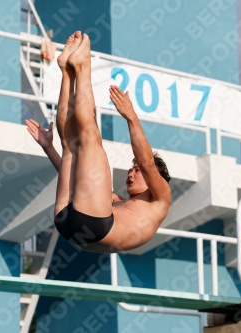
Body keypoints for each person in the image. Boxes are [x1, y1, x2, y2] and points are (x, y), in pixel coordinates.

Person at [25, 31, 171, 253]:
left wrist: (131, 116)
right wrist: (48, 148)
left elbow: (147, 162)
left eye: (136, 171)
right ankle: (67, 73)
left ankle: (83, 66)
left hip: (90, 224)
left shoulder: (161, 199)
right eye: (132, 169)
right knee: (71, 148)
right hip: (69, 223)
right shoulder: (118, 202)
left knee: (90, 140)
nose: (130, 174)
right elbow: (77, 175)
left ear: (154, 180)